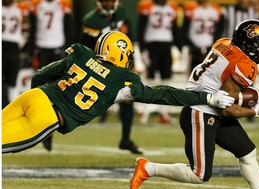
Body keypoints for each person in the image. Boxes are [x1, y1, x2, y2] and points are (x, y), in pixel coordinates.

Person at [130, 19, 259, 189]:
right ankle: (148, 168)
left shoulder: (224, 42)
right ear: (248, 44)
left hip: (208, 105)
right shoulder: (245, 65)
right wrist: (254, 110)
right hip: (200, 112)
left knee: (247, 152)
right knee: (199, 174)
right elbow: (226, 110)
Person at [2, 31, 234, 154]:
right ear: (122, 54)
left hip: (32, 97)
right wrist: (206, 97)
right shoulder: (124, 79)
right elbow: (164, 94)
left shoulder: (81, 54)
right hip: (49, 117)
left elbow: (38, 77)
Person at [81, 0, 141, 154]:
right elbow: (85, 49)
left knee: (129, 99)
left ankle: (126, 139)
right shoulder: (91, 21)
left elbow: (130, 40)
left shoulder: (121, 14)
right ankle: (54, 127)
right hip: (99, 68)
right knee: (81, 106)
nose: (108, 3)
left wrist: (132, 63)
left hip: (120, 67)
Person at [27, 0, 74, 151]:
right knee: (41, 91)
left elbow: (68, 27)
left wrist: (70, 49)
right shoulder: (36, 4)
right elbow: (33, 29)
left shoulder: (63, 3)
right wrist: (31, 48)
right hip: (42, 50)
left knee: (58, 91)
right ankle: (41, 127)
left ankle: (51, 129)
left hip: (58, 50)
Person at [137, 0, 181, 124]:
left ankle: (164, 112)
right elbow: (141, 27)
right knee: (150, 79)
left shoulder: (172, 7)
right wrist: (142, 47)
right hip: (152, 45)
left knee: (166, 80)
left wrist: (179, 46)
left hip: (166, 45)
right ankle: (146, 112)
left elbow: (175, 28)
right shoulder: (146, 6)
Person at [182, 0, 224, 75]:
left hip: (211, 47)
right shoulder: (190, 8)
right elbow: (184, 29)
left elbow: (219, 29)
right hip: (194, 46)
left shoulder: (216, 9)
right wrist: (188, 43)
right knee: (192, 74)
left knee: (210, 74)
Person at [2, 0, 29, 108]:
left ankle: (11, 107)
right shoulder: (21, 8)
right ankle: (9, 108)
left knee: (12, 81)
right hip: (13, 47)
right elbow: (26, 30)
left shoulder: (21, 8)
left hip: (12, 47)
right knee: (10, 81)